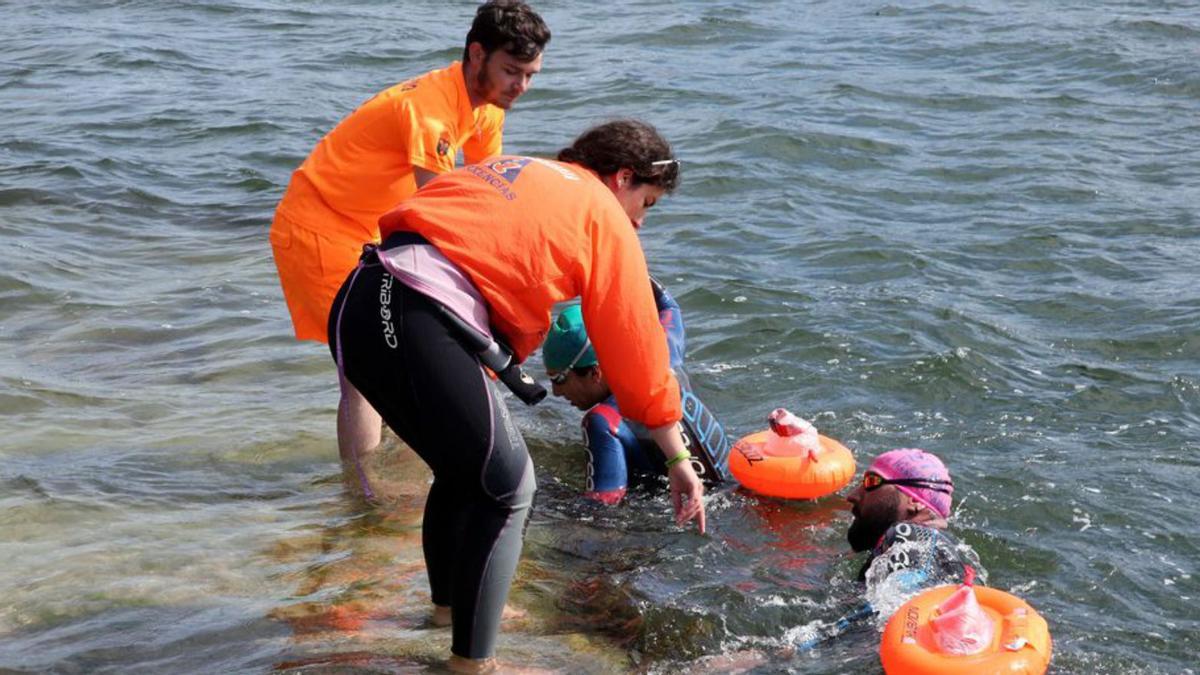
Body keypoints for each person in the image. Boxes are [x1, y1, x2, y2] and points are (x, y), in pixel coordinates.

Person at [326, 119, 706, 672]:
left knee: (461, 473)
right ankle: (472, 664)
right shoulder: (603, 215)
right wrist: (675, 455)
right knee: (509, 487)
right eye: (645, 203)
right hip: (417, 313)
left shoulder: (519, 169)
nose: (640, 223)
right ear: (622, 178)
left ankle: (446, 616)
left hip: (360, 299)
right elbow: (637, 349)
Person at [268, 1, 550, 487]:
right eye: (511, 72)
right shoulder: (430, 111)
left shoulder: (484, 107)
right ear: (476, 54)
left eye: (530, 75)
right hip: (321, 226)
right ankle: (364, 500)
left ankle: (404, 471)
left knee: (402, 355)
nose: (520, 87)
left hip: (377, 230)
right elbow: (443, 213)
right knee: (363, 371)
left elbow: (487, 198)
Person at [542, 283, 733, 505]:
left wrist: (547, 494)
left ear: (595, 372)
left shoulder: (603, 422)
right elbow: (667, 304)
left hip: (686, 514)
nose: (555, 392)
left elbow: (603, 507)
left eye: (559, 379)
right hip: (734, 487)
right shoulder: (666, 352)